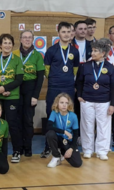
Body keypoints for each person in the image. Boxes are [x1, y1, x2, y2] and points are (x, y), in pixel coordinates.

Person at [43, 22, 80, 158]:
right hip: (54, 87)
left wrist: (67, 79)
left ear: (71, 34)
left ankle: (67, 146)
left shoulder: (75, 51)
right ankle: (48, 147)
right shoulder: (51, 50)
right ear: (58, 33)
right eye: (63, 32)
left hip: (69, 87)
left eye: (68, 32)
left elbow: (75, 70)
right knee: (51, 114)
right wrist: (55, 78)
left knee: (68, 115)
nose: (66, 34)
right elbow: (47, 70)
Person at [0, 33, 24, 163]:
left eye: (10, 43)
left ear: (13, 45)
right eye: (5, 43)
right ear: (0, 45)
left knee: (13, 124)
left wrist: (6, 89)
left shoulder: (17, 59)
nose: (7, 45)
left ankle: (16, 151)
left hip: (12, 97)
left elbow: (19, 79)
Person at [76, 40, 114, 161]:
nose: (92, 53)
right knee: (87, 125)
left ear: (103, 53)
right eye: (92, 50)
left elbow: (113, 87)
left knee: (103, 126)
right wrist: (79, 96)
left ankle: (102, 151)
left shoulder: (110, 67)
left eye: (95, 51)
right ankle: (87, 150)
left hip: (104, 101)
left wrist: (112, 104)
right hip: (87, 100)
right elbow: (79, 82)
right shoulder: (85, 66)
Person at [13, 30, 45, 157]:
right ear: (20, 39)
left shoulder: (37, 55)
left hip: (30, 89)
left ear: (33, 40)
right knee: (17, 119)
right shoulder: (14, 54)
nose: (27, 40)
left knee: (28, 120)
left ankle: (28, 147)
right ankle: (19, 147)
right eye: (24, 37)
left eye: (29, 38)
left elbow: (40, 77)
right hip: (16, 89)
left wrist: (35, 96)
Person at [45, 93, 82, 168]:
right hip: (58, 139)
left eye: (66, 103)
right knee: (50, 134)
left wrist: (71, 149)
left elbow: (76, 134)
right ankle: (56, 156)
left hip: (68, 141)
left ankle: (62, 152)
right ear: (57, 103)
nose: (64, 105)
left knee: (77, 163)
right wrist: (64, 131)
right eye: (62, 103)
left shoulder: (73, 116)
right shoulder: (54, 113)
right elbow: (48, 126)